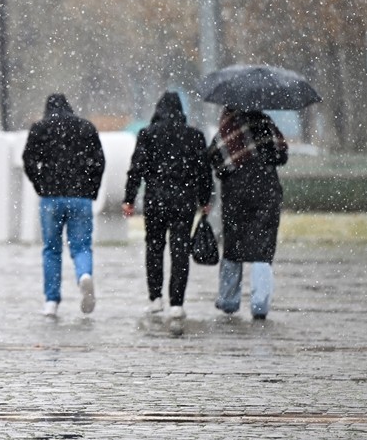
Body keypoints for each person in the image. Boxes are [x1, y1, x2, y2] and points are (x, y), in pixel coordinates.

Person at [122, 92, 213, 321]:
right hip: (184, 201)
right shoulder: (194, 136)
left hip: (155, 200)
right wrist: (205, 199)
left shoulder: (148, 135)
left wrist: (129, 198)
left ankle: (155, 298)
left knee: (154, 247)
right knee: (180, 250)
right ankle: (177, 303)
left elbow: (137, 168)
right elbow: (204, 172)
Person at [22, 94, 106, 318]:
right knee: (81, 247)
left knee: (51, 249)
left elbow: (28, 160)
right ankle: (84, 276)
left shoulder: (40, 128)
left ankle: (51, 301)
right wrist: (91, 189)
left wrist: (41, 184)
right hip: (80, 198)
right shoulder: (85, 128)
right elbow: (99, 161)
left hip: (51, 197)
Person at [208, 105, 288, 320]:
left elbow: (217, 163)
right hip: (267, 191)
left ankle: (228, 300)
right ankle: (260, 304)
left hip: (236, 194)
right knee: (263, 249)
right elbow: (282, 155)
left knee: (233, 248)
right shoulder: (265, 124)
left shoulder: (225, 131)